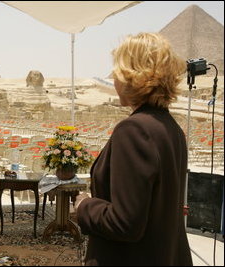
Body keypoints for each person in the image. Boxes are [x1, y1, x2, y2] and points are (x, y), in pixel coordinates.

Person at [75, 33, 193, 266]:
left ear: (134, 76)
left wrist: (84, 206)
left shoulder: (134, 130)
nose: (114, 80)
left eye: (117, 73)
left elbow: (125, 223)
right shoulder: (171, 129)